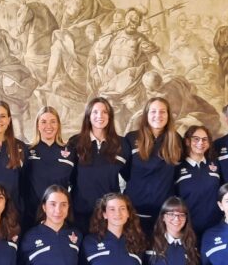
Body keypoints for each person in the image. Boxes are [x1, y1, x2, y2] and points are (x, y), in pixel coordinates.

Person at [175, 125, 221, 265]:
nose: (201, 143)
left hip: (211, 235)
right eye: (196, 139)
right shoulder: (178, 168)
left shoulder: (214, 167)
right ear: (187, 141)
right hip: (186, 235)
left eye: (205, 139)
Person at [124, 97, 182, 236]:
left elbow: (178, 172)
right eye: (153, 111)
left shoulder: (176, 139)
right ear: (146, 115)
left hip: (164, 212)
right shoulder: (131, 138)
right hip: (134, 210)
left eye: (162, 112)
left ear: (168, 115)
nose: (158, 115)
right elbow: (124, 171)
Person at [69, 97, 127, 234]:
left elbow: (128, 175)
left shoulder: (122, 144)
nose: (100, 116)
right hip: (80, 213)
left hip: (109, 215)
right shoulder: (74, 142)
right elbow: (69, 177)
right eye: (95, 112)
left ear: (110, 116)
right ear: (88, 116)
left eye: (104, 112)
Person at [23, 106, 74, 230]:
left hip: (59, 214)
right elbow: (21, 182)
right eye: (43, 122)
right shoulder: (27, 150)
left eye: (53, 121)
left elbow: (75, 182)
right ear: (37, 126)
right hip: (31, 215)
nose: (48, 126)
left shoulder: (70, 151)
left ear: (58, 125)